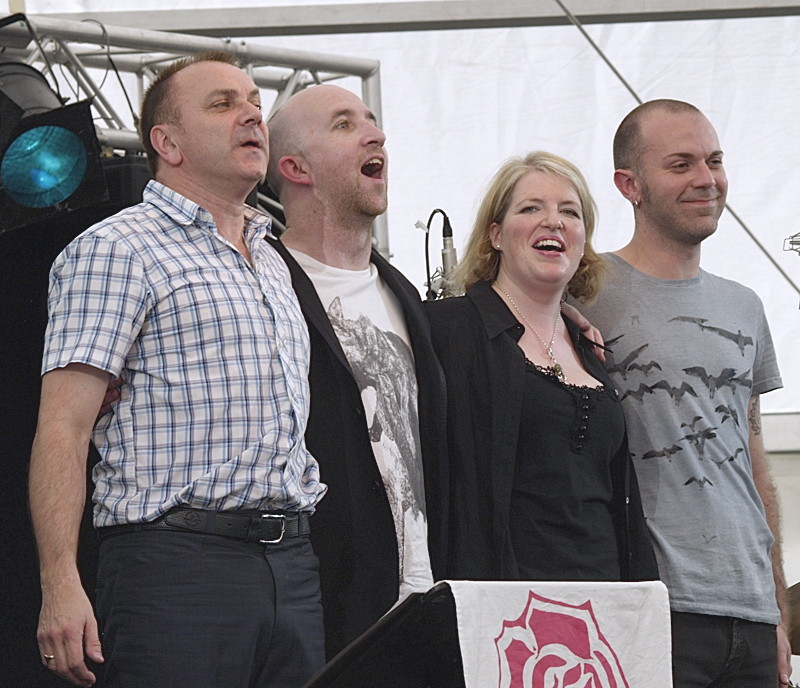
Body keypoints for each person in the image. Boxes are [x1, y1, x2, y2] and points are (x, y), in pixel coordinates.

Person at [28, 51, 326, 688]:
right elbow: (63, 428)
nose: (251, 113)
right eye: (222, 104)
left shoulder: (272, 256)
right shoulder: (116, 249)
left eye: (253, 101)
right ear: (167, 142)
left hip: (291, 562)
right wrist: (59, 582)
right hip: (175, 566)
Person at [577, 99, 791, 687]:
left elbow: (754, 464)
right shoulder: (582, 289)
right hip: (650, 607)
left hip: (749, 609)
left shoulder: (744, 305)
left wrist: (776, 610)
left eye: (714, 161)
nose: (706, 178)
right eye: (681, 164)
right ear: (630, 185)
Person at [264, 84, 449, 659]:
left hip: (424, 602)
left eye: (372, 119)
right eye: (344, 125)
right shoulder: (262, 287)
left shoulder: (406, 295)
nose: (377, 134)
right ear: (295, 167)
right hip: (325, 612)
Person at [425, 151, 658, 583]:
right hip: (509, 612)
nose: (553, 221)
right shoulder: (446, 329)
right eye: (531, 208)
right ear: (495, 234)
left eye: (569, 212)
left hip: (604, 607)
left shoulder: (588, 346)